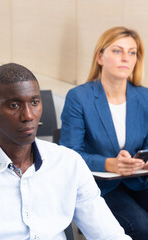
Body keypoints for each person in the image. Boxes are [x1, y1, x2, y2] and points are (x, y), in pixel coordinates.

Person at [0, 63, 130, 239]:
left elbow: (109, 235)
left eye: (34, 102)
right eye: (14, 105)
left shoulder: (69, 163)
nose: (29, 116)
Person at [60, 26, 148, 239]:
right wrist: (110, 163)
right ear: (100, 57)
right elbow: (70, 154)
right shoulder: (79, 97)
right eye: (117, 51)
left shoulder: (144, 96)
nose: (125, 58)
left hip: (140, 181)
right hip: (100, 186)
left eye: (132, 52)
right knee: (141, 227)